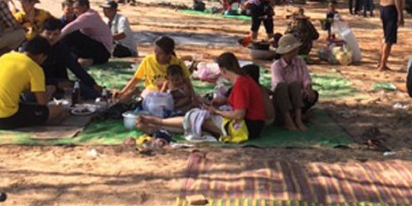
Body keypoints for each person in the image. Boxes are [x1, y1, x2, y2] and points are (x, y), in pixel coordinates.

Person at [137, 53, 266, 140]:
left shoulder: (240, 84)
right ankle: (159, 125)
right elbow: (243, 102)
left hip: (247, 128)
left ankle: (158, 123)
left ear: (223, 70)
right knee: (200, 121)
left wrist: (216, 111)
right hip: (252, 124)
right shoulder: (245, 79)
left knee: (197, 118)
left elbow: (239, 114)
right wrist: (224, 101)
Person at [0, 37, 67, 130]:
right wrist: (49, 92)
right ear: (41, 56)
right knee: (57, 109)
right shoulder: (35, 68)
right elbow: (42, 103)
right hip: (3, 118)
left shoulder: (5, 57)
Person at [38, 18, 102, 101]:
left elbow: (75, 67)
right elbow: (28, 75)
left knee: (87, 90)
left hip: (62, 82)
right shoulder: (33, 48)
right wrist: (54, 84)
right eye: (48, 33)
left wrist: (93, 84)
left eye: (55, 34)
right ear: (41, 32)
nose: (51, 37)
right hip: (40, 84)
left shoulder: (61, 48)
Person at [115, 36, 190, 101]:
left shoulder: (178, 63)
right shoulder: (148, 60)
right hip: (152, 92)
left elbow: (187, 81)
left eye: (160, 54)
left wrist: (193, 98)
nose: (156, 56)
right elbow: (136, 78)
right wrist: (123, 92)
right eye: (155, 52)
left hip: (172, 92)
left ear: (169, 54)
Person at [270, 35, 319, 131]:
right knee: (285, 86)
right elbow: (279, 85)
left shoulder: (300, 61)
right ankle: (290, 119)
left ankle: (297, 118)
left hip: (298, 95)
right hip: (283, 98)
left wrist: (308, 88)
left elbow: (306, 78)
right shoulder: (277, 66)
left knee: (310, 93)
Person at [59, 0, 114, 65]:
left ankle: (75, 59)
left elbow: (69, 28)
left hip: (103, 51)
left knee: (70, 35)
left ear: (84, 7)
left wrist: (54, 40)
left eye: (76, 8)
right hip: (101, 51)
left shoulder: (88, 16)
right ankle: (89, 60)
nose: (74, 11)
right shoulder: (91, 13)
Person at [377, 0, 406, 71]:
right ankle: (383, 64)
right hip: (391, 8)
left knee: (385, 36)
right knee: (389, 39)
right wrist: (400, 14)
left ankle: (380, 62)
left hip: (382, 7)